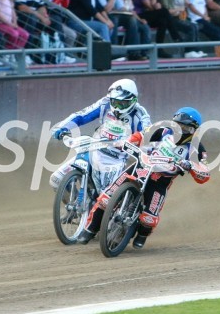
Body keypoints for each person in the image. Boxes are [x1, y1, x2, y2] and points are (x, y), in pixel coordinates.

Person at [78, 106, 210, 248]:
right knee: (105, 198)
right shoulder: (162, 130)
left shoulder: (196, 148)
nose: (180, 130)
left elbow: (205, 173)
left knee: (149, 218)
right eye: (178, 126)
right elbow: (141, 135)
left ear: (194, 130)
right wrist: (126, 142)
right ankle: (89, 229)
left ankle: (141, 235)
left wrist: (191, 165)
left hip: (160, 181)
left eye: (185, 128)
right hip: (139, 168)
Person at [49, 79, 152, 197]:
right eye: (115, 102)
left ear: (133, 100)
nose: (117, 108)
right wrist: (62, 127)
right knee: (56, 180)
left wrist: (134, 141)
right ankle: (74, 209)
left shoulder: (140, 114)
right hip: (95, 149)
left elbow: (147, 133)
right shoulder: (105, 103)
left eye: (122, 104)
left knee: (106, 197)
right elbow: (82, 116)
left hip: (117, 158)